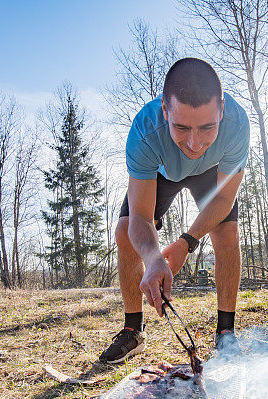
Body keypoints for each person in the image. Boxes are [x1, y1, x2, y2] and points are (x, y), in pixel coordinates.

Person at [99, 57, 250, 364]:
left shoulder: (237, 126)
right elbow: (140, 218)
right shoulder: (145, 131)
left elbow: (223, 201)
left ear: (221, 110)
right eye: (181, 127)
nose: (194, 143)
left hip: (213, 170)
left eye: (208, 127)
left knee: (227, 229)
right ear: (165, 111)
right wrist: (153, 258)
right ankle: (133, 330)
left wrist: (187, 242)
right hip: (163, 173)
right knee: (124, 232)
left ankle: (226, 333)